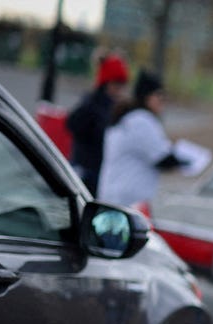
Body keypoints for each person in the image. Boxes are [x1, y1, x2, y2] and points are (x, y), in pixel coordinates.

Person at [97, 70, 186, 212]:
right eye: (160, 96)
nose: (163, 102)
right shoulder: (142, 121)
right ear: (147, 97)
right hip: (127, 203)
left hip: (113, 197)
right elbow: (163, 159)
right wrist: (188, 161)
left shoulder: (127, 117)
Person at [65, 51, 129, 195]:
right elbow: (72, 125)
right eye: (117, 83)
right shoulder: (92, 105)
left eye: (122, 84)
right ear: (106, 83)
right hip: (87, 171)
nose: (120, 89)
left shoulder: (114, 107)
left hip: (101, 173)